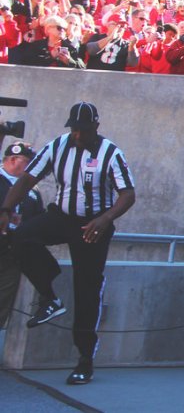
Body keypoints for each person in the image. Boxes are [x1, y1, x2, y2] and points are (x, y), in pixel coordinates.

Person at [0, 102, 136, 386]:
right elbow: (26, 179)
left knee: (87, 289)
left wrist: (106, 218)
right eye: (73, 129)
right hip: (62, 216)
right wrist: (5, 209)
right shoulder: (58, 145)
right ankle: (50, 297)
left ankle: (84, 360)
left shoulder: (111, 153)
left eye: (83, 130)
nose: (77, 135)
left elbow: (127, 194)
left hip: (93, 225)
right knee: (22, 236)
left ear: (95, 128)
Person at [0, 142, 44, 331]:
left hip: (13, 255)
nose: (32, 168)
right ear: (12, 160)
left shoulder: (32, 191)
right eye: (28, 163)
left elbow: (38, 221)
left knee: (3, 302)